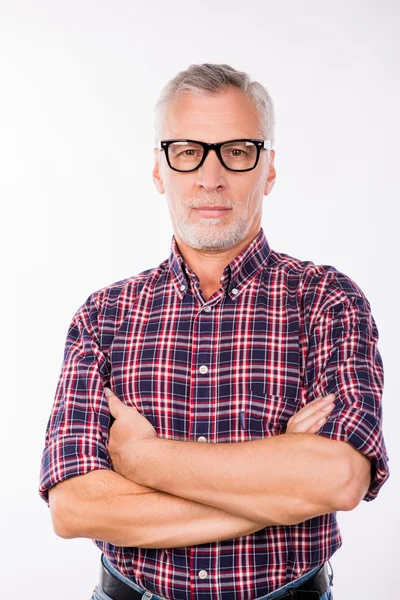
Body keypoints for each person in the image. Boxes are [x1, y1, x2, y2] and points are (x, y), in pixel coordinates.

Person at [39, 63, 389, 600]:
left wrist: (143, 458)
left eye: (238, 151)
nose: (210, 177)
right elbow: (75, 507)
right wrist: (281, 478)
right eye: (187, 151)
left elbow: (339, 479)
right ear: (160, 170)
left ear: (268, 168)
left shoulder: (327, 299)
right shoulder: (102, 316)